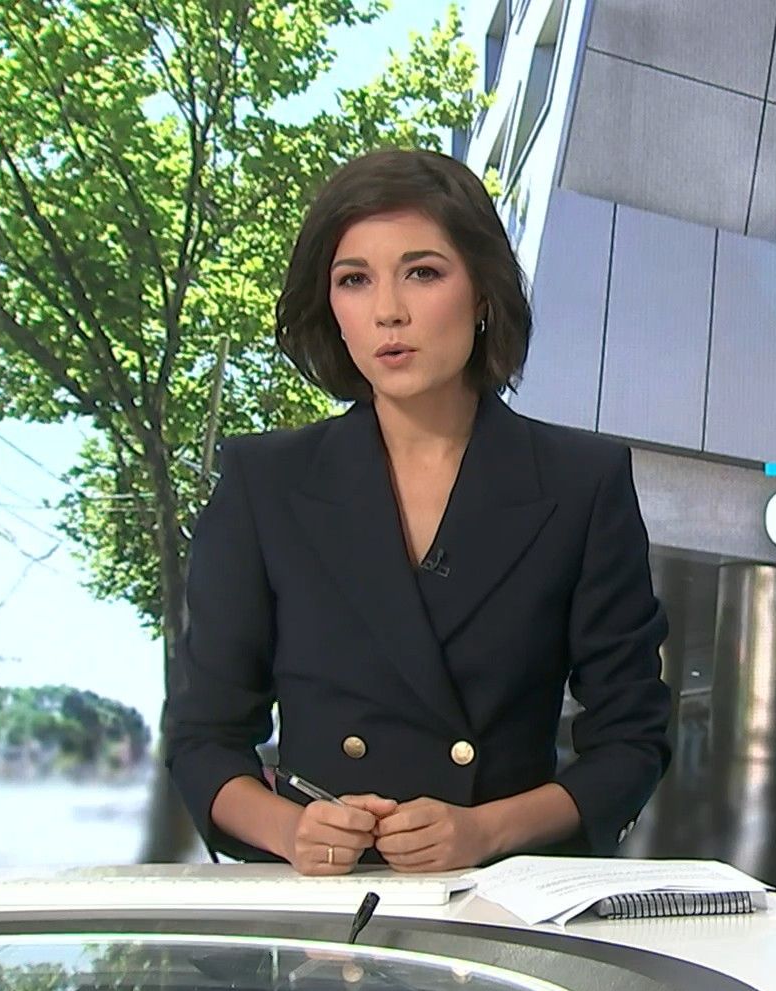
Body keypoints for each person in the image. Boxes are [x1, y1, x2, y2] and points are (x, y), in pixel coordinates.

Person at [162, 148, 672, 874]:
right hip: (323, 904)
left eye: (423, 273)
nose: (388, 312)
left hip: (502, 897)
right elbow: (203, 738)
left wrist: (484, 831)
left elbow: (631, 741)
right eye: (354, 280)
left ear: (484, 292)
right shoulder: (264, 482)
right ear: (331, 308)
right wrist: (293, 831)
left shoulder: (582, 483)